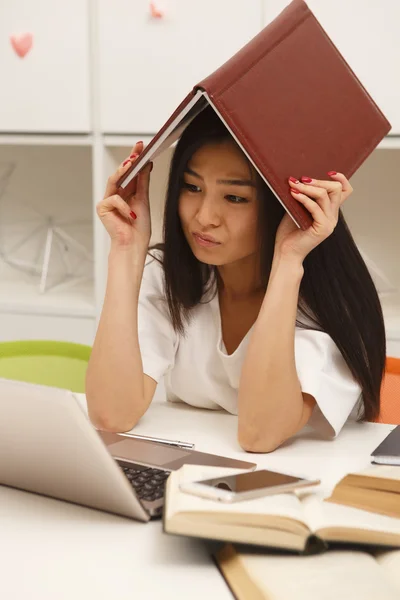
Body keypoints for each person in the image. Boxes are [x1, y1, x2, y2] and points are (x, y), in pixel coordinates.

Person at [86, 106, 386, 453]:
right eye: (191, 187)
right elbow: (112, 415)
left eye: (234, 197)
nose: (204, 217)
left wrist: (288, 261)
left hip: (302, 490)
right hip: (195, 476)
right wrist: (126, 250)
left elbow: (259, 434)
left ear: (286, 203)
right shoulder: (172, 275)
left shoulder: (329, 307)